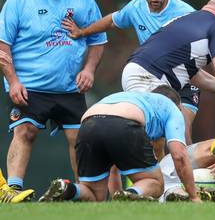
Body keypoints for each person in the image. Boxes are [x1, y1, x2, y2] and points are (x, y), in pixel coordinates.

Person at [0, 0, 107, 196]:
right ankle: (13, 191)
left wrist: (89, 70)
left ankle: (85, 192)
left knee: (78, 138)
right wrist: (13, 81)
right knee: (25, 131)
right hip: (29, 85)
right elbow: (3, 44)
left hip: (68, 87)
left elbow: (98, 39)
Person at [62, 0, 204, 144]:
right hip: (156, 77)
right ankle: (157, 172)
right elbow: (112, 21)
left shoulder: (186, 13)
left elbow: (208, 41)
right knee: (154, 132)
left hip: (185, 78)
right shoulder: (135, 8)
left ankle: (189, 171)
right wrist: (82, 32)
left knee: (182, 131)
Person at [121, 0, 215, 128]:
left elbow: (194, 75)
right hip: (149, 79)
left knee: (174, 130)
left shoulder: (183, 18)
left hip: (133, 71)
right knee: (172, 132)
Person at [38, 85, 201, 203]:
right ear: (177, 105)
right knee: (156, 183)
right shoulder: (172, 109)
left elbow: (114, 166)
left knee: (94, 196)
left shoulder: (132, 98)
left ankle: (67, 188)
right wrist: (193, 196)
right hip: (123, 124)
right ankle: (132, 193)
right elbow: (179, 154)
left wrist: (118, 200)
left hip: (88, 126)